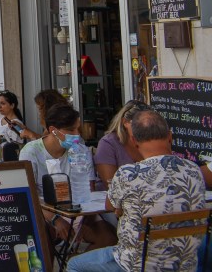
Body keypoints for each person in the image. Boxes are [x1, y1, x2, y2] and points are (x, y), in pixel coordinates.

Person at [67, 110, 206, 272]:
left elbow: (110, 206)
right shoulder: (193, 171)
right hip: (184, 265)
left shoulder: (128, 174)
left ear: (134, 141)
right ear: (170, 136)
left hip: (136, 265)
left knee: (74, 265)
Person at [19, 104, 116, 252]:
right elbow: (28, 196)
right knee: (43, 239)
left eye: (78, 129)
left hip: (78, 210)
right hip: (43, 211)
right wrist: (56, 220)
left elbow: (88, 191)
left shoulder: (81, 150)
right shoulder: (31, 152)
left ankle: (76, 263)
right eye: (71, 130)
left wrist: (85, 219)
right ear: (53, 130)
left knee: (108, 238)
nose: (77, 134)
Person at [93, 99, 150, 189]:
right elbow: (111, 184)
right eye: (139, 124)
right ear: (125, 122)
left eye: (149, 124)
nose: (145, 128)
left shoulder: (151, 141)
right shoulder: (108, 143)